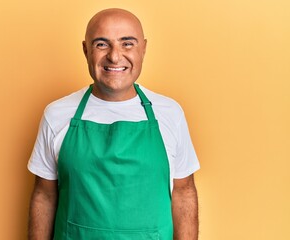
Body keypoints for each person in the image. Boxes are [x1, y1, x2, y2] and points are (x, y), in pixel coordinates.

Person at [28, 8, 200, 240]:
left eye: (127, 43)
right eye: (101, 44)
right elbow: (45, 195)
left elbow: (184, 192)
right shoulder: (57, 114)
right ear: (86, 50)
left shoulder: (170, 113)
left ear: (144, 48)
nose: (115, 56)